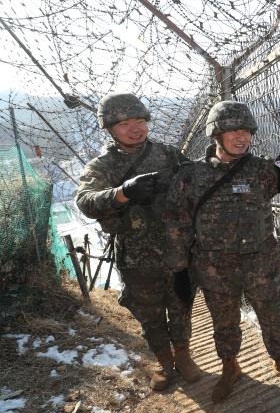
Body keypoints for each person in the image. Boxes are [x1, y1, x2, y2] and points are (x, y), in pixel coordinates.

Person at [165, 100, 280, 403]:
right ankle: (230, 367)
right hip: (214, 269)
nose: (241, 137)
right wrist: (180, 268)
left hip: (261, 265)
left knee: (273, 314)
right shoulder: (190, 176)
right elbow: (177, 224)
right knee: (224, 321)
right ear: (216, 135)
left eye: (246, 131)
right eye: (233, 130)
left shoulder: (265, 169)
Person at [75, 92, 203, 391]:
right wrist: (122, 192)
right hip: (136, 257)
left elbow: (197, 183)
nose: (135, 128)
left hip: (179, 252)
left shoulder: (169, 155)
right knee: (150, 313)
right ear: (109, 128)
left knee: (181, 306)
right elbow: (85, 201)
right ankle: (163, 361)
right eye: (124, 124)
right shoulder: (102, 166)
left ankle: (183, 355)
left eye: (140, 121)